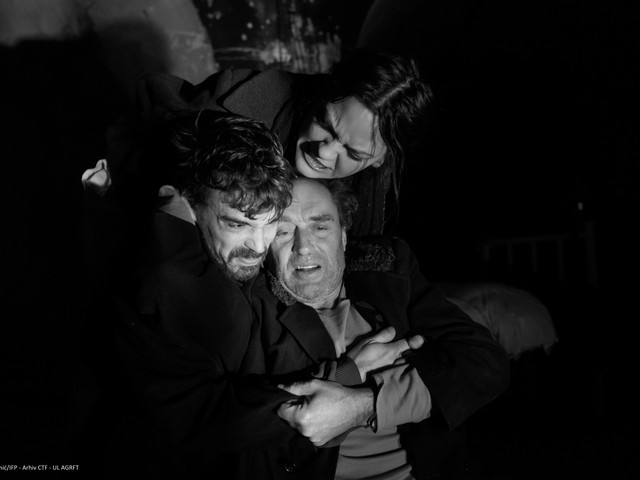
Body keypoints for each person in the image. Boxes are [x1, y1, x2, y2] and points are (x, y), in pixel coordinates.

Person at [112, 109, 421, 479]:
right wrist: (347, 374)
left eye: (272, 222)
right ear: (184, 205)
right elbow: (205, 417)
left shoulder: (250, 272)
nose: (258, 247)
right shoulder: (166, 277)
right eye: (237, 224)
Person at [248, 177, 511, 479]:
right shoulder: (253, 307)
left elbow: (485, 362)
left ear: (343, 237)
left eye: (320, 227)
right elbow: (242, 416)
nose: (303, 246)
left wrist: (367, 405)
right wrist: (349, 372)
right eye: (283, 231)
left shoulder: (389, 271)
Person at [91, 47, 433, 240]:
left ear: (381, 158)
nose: (324, 151)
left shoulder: (377, 193)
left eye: (353, 152)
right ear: (324, 91)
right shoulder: (234, 107)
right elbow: (142, 123)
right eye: (324, 123)